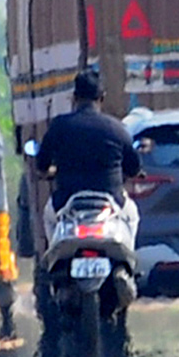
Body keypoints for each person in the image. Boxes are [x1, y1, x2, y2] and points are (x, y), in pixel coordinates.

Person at [35, 69, 141, 241]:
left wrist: (51, 171)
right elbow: (134, 168)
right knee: (132, 215)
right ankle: (129, 263)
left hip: (66, 202)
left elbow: (42, 166)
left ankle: (52, 264)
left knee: (49, 219)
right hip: (112, 203)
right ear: (102, 98)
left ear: (74, 98)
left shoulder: (59, 126)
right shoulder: (117, 129)